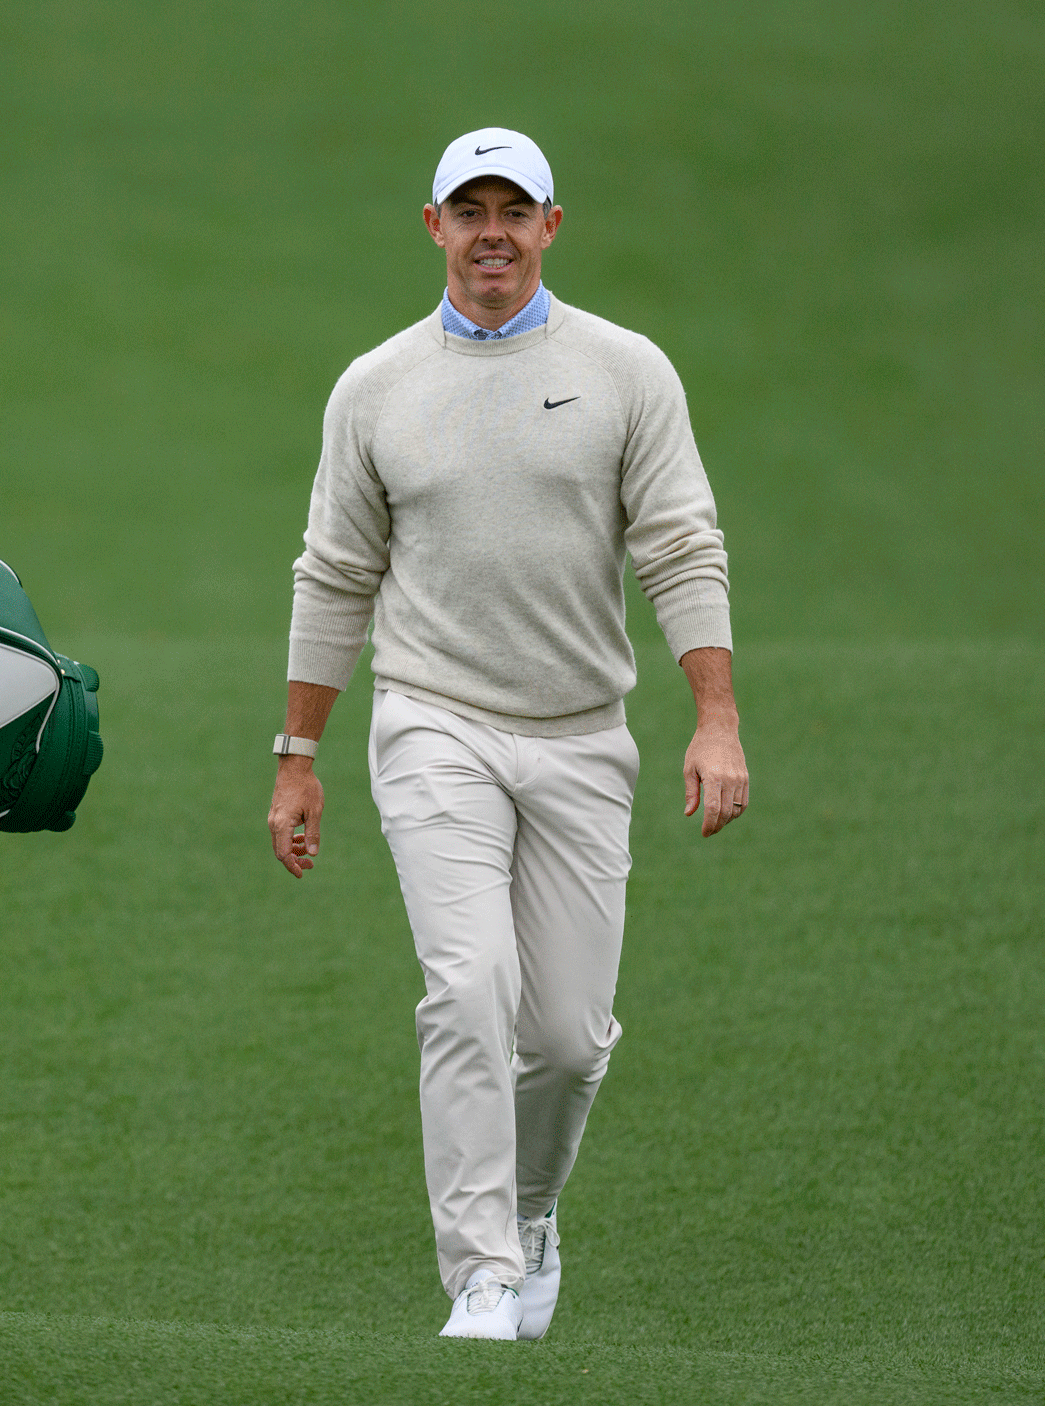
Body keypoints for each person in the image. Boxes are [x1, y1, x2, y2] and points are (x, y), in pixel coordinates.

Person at [266, 128, 748, 1341]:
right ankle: (480, 1268)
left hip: (585, 731)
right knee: (468, 985)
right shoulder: (374, 387)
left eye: (513, 210)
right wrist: (297, 755)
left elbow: (681, 542)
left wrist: (716, 717)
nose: (492, 231)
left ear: (550, 225)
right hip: (434, 720)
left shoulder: (627, 371)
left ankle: (530, 1216)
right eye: (467, 208)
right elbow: (333, 573)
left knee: (569, 1036)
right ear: (430, 225)